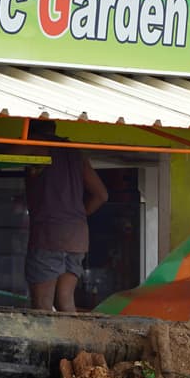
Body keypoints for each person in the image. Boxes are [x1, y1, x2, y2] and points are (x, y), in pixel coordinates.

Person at [25, 120, 108, 312]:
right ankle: (74, 341)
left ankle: (45, 342)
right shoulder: (74, 152)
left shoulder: (37, 144)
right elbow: (101, 195)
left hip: (49, 234)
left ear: (31, 129)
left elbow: (1, 155)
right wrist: (76, 216)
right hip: (77, 238)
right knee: (66, 302)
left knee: (42, 305)